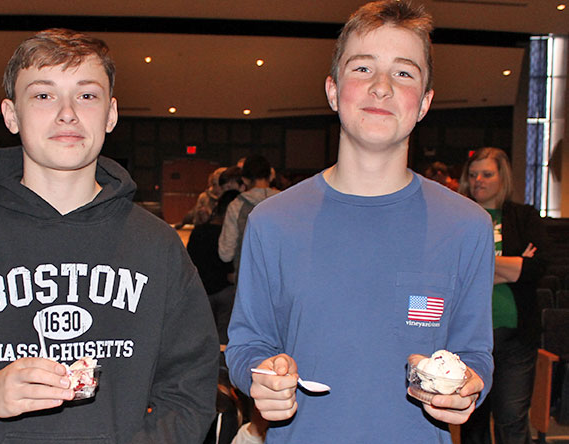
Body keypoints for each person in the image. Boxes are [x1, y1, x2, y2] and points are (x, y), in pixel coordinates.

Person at [0, 28, 218, 443]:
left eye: (87, 95)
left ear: (112, 113)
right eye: (43, 95)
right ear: (11, 115)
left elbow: (191, 391)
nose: (68, 113)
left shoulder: (158, 247)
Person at [224, 1, 495, 443]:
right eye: (363, 68)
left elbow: (475, 352)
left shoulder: (468, 226)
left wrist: (467, 388)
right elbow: (248, 343)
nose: (382, 87)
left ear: (425, 103)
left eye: (404, 72)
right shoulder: (272, 221)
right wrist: (262, 377)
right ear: (333, 91)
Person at [458, 147, 548, 444]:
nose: (478, 181)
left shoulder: (524, 217)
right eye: (473, 175)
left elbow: (534, 268)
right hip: (469, 337)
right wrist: (511, 264)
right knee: (472, 423)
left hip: (515, 337)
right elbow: (452, 273)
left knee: (512, 419)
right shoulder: (459, 218)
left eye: (487, 174)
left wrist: (479, 265)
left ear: (503, 177)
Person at [187, 189, 240, 344]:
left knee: (202, 336)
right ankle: (222, 366)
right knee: (224, 335)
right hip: (226, 290)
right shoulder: (230, 236)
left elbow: (189, 262)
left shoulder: (199, 232)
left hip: (202, 292)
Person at [217, 154, 279, 280]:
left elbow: (225, 253)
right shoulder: (286, 202)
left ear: (244, 179)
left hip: (248, 280)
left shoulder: (236, 205)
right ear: (270, 176)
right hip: (281, 281)